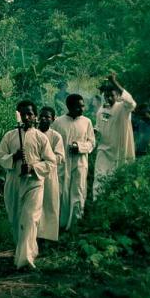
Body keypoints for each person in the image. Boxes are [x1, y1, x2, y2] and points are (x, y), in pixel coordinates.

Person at [0, 101, 56, 269]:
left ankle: (25, 260)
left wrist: (33, 167)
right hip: (14, 183)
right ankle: (25, 251)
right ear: (20, 116)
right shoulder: (10, 136)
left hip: (34, 183)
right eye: (24, 114)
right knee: (16, 219)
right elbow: (0, 156)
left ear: (35, 116)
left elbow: (51, 162)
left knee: (30, 219)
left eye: (30, 114)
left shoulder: (41, 137)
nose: (27, 117)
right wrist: (13, 157)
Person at [52, 94, 95, 231]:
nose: (82, 109)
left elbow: (92, 143)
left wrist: (80, 147)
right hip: (62, 165)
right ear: (69, 106)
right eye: (78, 106)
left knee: (78, 192)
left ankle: (75, 226)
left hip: (80, 164)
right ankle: (61, 225)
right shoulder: (58, 122)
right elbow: (52, 142)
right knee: (62, 194)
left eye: (82, 106)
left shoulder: (86, 122)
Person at [93, 73, 136, 199]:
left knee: (118, 183)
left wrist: (114, 82)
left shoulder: (123, 108)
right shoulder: (101, 110)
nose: (109, 99)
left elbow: (132, 103)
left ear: (118, 96)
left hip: (119, 151)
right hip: (104, 151)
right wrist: (94, 132)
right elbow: (99, 127)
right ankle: (98, 206)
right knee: (99, 181)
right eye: (106, 96)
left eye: (112, 96)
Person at [37, 106, 64, 243]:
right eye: (41, 116)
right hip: (34, 175)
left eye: (47, 117)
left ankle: (48, 237)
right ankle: (34, 236)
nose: (43, 119)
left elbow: (60, 157)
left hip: (49, 175)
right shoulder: (32, 133)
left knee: (49, 204)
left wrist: (47, 159)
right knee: (36, 205)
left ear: (53, 119)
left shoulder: (56, 137)